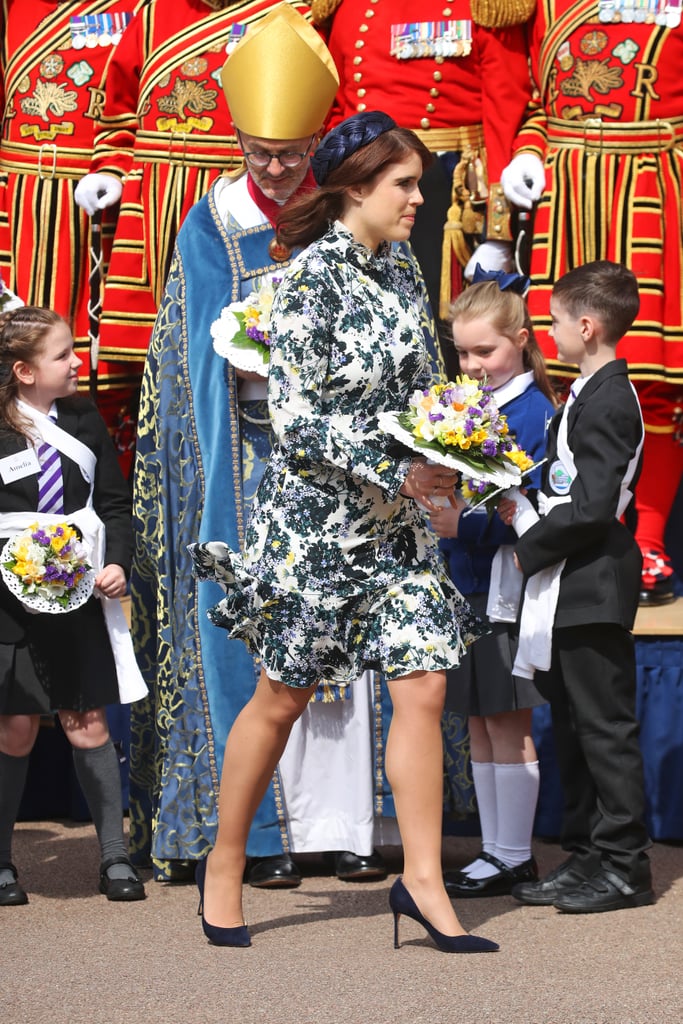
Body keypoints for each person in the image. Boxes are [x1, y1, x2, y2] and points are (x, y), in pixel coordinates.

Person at [190, 109, 498, 953]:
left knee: (424, 683)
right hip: (315, 528)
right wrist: (400, 465)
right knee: (280, 696)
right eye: (402, 184)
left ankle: (424, 881)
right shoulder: (304, 282)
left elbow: (422, 391)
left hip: (395, 525)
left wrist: (451, 459)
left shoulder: (401, 267)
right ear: (354, 188)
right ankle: (225, 866)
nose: (417, 198)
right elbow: (297, 420)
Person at [130, 4, 391, 889]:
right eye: (260, 154)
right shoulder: (211, 221)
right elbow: (187, 349)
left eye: (290, 154)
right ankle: (265, 835)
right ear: (237, 141)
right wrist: (242, 360)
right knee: (258, 637)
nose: (276, 172)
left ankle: (347, 825)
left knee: (345, 636)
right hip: (245, 461)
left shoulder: (348, 208)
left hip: (340, 458)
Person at [500, 2, 683, 604]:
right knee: (560, 365)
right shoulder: (549, 5)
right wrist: (529, 148)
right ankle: (568, 520)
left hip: (655, 180)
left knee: (658, 378)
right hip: (573, 187)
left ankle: (648, 537)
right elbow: (535, 99)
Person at [74, 0, 310, 426]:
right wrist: (109, 165)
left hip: (240, 188)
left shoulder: (290, 13)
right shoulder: (153, 13)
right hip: (151, 203)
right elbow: (119, 108)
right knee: (142, 353)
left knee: (225, 344)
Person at [501, 261, 654, 913]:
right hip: (573, 585)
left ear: (586, 326)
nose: (550, 332)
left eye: (556, 321)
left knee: (603, 729)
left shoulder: (610, 398)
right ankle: (587, 853)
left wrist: (526, 550)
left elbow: (593, 506)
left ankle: (624, 865)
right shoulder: (588, 391)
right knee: (572, 726)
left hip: (592, 584)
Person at [0, 306, 147, 906]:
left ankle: (114, 857)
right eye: (62, 355)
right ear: (24, 371)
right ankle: (3, 863)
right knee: (13, 730)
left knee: (86, 723)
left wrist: (116, 562)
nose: (76, 361)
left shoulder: (84, 418)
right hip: (8, 598)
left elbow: (114, 502)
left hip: (79, 587)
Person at [311, 0, 535, 373]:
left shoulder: (482, 6)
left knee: (438, 327)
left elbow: (503, 103)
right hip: (362, 187)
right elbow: (336, 103)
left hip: (442, 190)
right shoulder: (346, 7)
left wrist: (499, 228)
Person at [428, 273, 557, 898]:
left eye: (487, 351)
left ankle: (514, 854)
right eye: (462, 353)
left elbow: (532, 508)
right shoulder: (468, 405)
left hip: (505, 587)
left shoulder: (535, 413)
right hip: (464, 586)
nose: (473, 365)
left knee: (508, 722)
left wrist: (465, 522)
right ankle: (493, 850)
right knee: (478, 720)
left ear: (522, 343)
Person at [0, 0, 146, 433]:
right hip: (16, 198)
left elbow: (136, 103)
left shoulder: (140, 7)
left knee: (86, 354)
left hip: (87, 203)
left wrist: (114, 168)